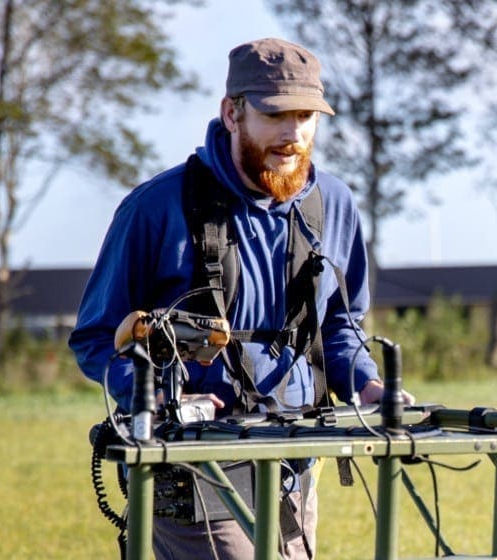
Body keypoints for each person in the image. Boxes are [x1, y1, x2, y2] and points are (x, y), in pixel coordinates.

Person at [69, 38, 412, 559]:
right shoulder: (157, 207)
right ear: (232, 113)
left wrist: (367, 384)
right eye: (275, 114)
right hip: (194, 466)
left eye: (306, 115)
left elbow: (340, 327)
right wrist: (158, 397)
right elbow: (97, 337)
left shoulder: (333, 204)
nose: (293, 133)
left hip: (297, 460)